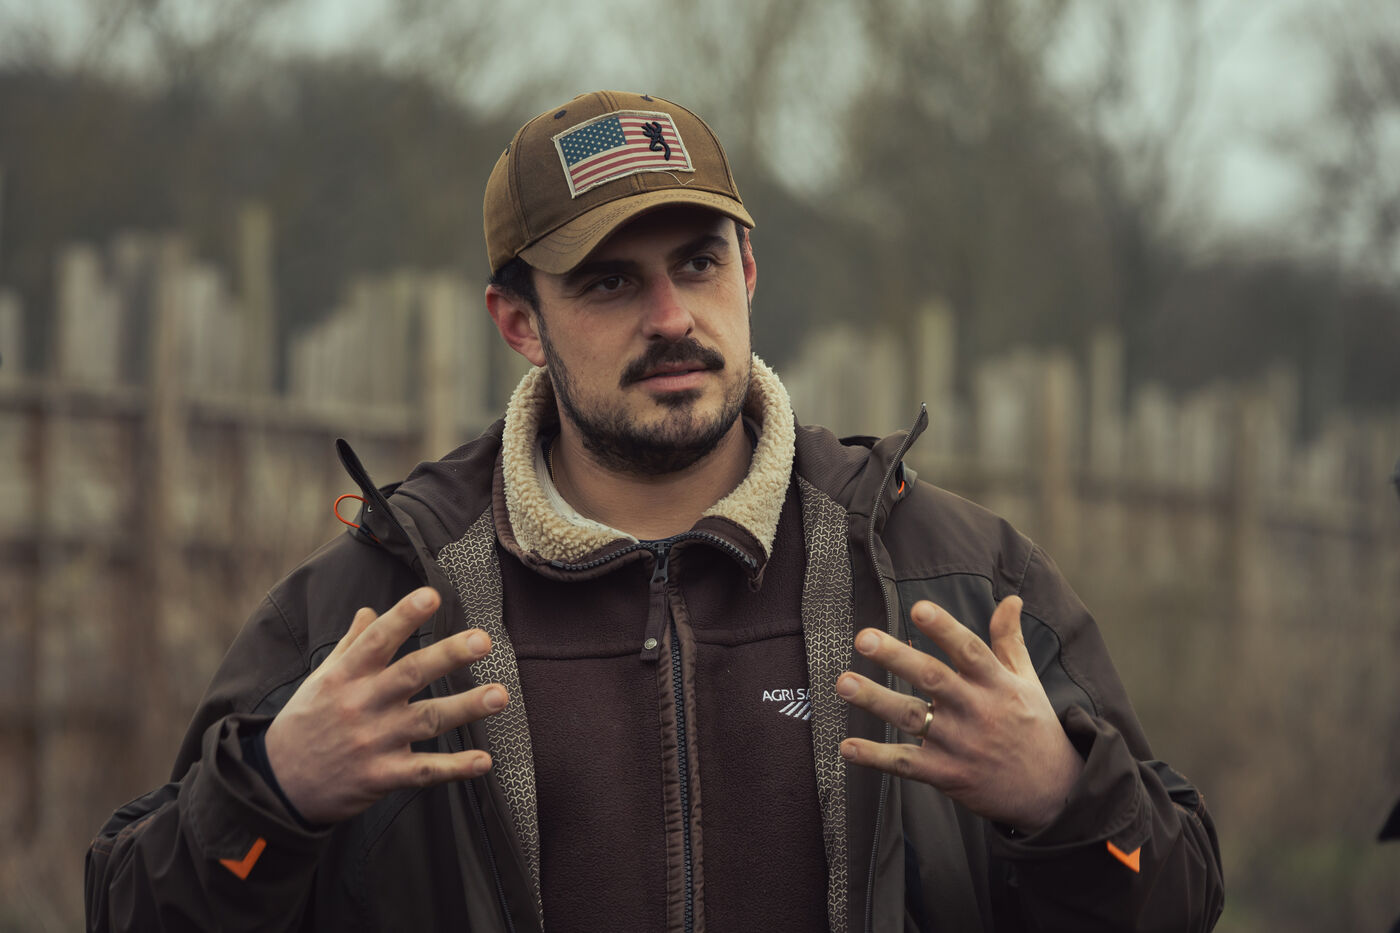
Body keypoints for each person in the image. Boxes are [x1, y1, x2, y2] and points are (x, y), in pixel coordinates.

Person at [85, 90, 1224, 932]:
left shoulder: (950, 580)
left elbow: (1174, 898)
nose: (672, 316)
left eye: (698, 262)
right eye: (608, 281)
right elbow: (132, 909)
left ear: (749, 274)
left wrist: (1062, 801)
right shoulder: (385, 611)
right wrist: (273, 797)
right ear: (518, 322)